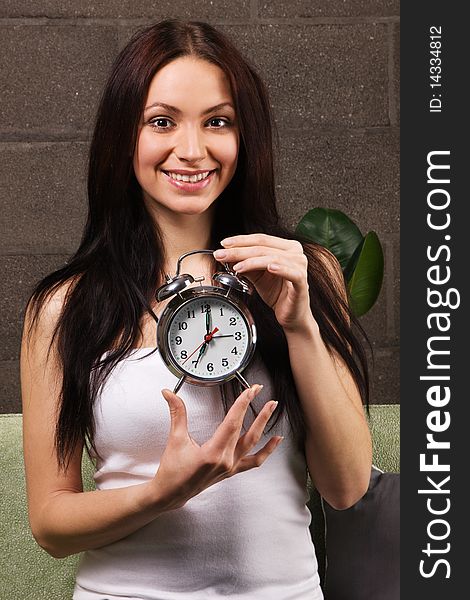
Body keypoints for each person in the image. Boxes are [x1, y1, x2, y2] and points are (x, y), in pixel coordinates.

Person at [21, 19, 372, 600]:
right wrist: (162, 493)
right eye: (162, 122)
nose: (191, 150)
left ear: (245, 137)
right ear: (122, 138)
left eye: (218, 122)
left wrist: (299, 324)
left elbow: (347, 487)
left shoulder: (302, 273)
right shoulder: (63, 306)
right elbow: (51, 524)